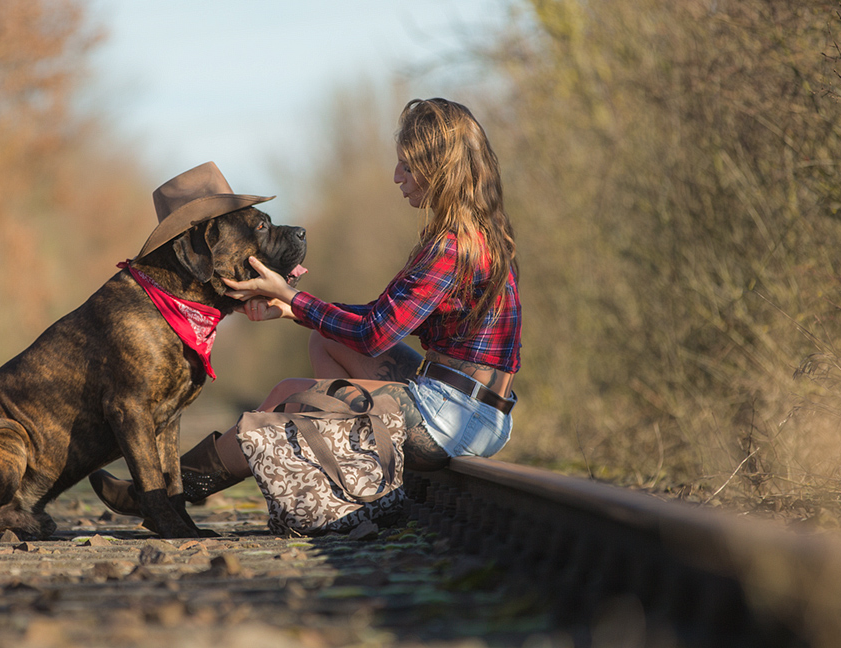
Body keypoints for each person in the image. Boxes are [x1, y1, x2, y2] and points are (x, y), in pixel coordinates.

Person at [89, 97, 521, 519]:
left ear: (437, 169)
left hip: (453, 416)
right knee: (326, 339)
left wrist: (294, 296)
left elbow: (375, 333)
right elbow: (383, 315)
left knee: (285, 396)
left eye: (406, 166)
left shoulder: (451, 247)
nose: (396, 176)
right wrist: (290, 307)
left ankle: (163, 495)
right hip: (477, 409)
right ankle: (353, 467)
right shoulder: (481, 233)